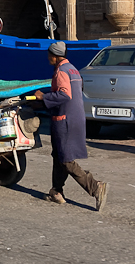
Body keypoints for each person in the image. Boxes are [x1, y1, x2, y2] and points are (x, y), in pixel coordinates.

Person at [34, 41, 108, 212]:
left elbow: (64, 94)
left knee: (66, 159)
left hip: (64, 120)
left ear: (55, 55)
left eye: (49, 55)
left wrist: (42, 98)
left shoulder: (60, 71)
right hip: (76, 118)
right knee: (58, 155)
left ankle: (95, 187)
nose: (47, 58)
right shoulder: (73, 69)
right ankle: (56, 192)